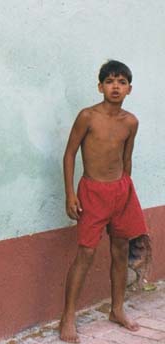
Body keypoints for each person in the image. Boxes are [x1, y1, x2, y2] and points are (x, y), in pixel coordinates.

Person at [59, 60, 148, 343]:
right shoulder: (88, 116)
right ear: (100, 86)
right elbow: (70, 154)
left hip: (121, 193)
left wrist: (127, 191)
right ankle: (68, 316)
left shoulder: (131, 122)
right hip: (92, 192)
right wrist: (70, 194)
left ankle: (117, 309)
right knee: (85, 253)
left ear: (129, 89)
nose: (115, 87)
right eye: (110, 81)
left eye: (122, 82)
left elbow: (127, 158)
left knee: (120, 250)